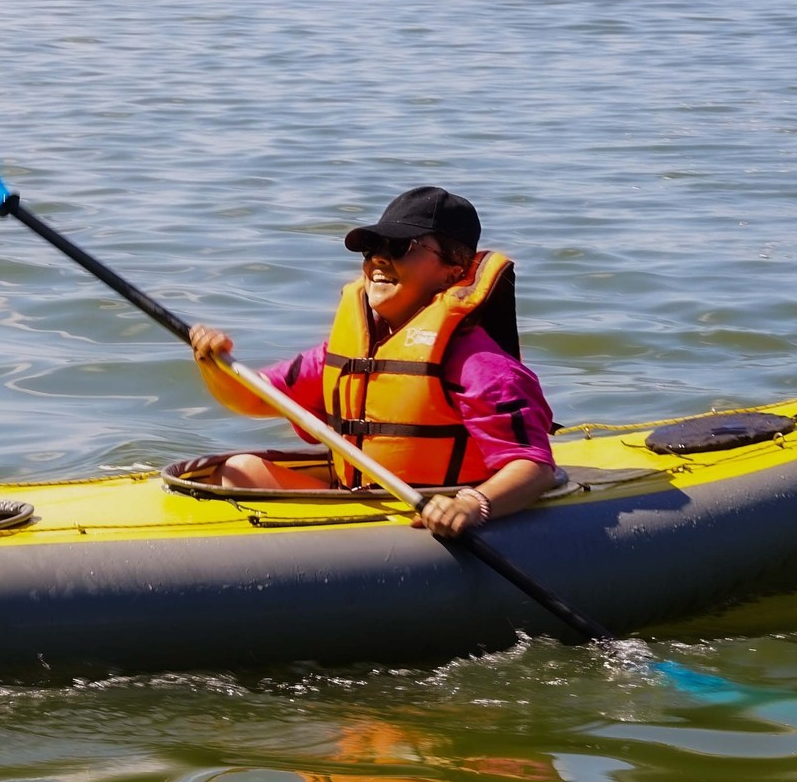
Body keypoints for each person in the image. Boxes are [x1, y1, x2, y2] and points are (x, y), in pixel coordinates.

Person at [186, 186, 559, 538]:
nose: (379, 258)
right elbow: (252, 398)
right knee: (241, 471)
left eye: (400, 246)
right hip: (362, 503)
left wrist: (473, 505)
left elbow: (535, 467)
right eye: (371, 248)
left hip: (435, 515)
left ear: (454, 270)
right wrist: (211, 361)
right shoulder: (350, 351)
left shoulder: (480, 363)